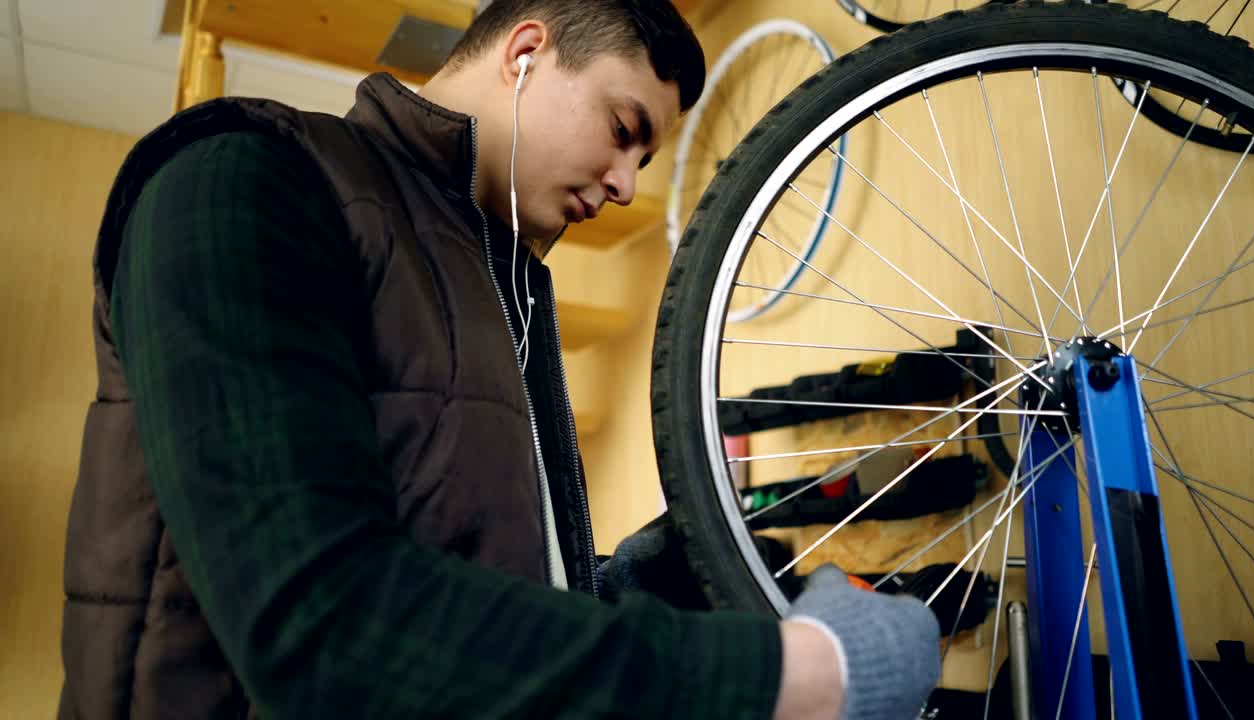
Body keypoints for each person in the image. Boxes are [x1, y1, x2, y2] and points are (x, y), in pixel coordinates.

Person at [59, 1, 940, 718]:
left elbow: (460, 593)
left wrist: (619, 583)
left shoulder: (500, 291)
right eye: (624, 126)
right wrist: (801, 675)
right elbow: (323, 630)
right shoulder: (239, 178)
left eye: (646, 156)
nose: (629, 184)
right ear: (525, 51)